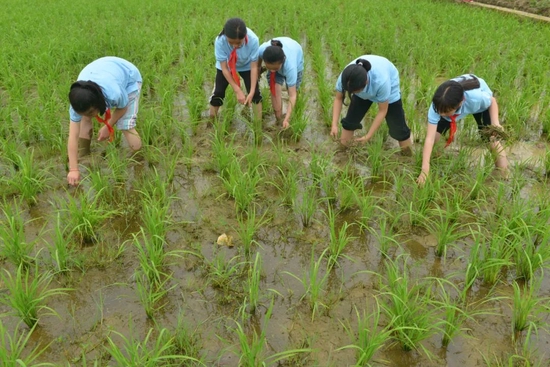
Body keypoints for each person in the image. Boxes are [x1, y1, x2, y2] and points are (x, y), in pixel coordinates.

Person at [416, 74, 509, 185]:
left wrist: (495, 123)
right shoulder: (438, 105)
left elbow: (492, 101)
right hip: (449, 104)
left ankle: (503, 173)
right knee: (434, 138)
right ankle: (436, 158)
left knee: (491, 140)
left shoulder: (475, 98)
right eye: (440, 111)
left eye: (445, 112)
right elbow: (429, 139)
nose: (441, 114)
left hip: (480, 107)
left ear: (459, 104)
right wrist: (424, 170)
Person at [67, 56, 142, 186]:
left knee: (126, 125)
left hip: (129, 77)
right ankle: (84, 155)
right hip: (100, 71)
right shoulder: (77, 104)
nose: (88, 115)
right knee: (85, 119)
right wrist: (73, 169)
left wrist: (108, 125)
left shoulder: (114, 93)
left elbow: (123, 108)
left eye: (91, 112)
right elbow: (72, 136)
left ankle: (139, 159)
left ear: (100, 103)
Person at [330, 55, 412, 152]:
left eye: (355, 92)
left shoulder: (381, 81)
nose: (353, 94)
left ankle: (407, 154)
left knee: (398, 129)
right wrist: (334, 124)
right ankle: (342, 151)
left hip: (389, 85)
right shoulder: (346, 78)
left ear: (366, 82)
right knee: (350, 121)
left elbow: (382, 110)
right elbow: (338, 99)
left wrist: (368, 136)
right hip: (359, 84)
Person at [209, 18, 262, 120]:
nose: (235, 46)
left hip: (246, 64)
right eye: (231, 42)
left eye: (239, 43)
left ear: (245, 36)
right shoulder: (220, 41)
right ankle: (211, 122)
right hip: (227, 65)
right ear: (226, 36)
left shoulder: (253, 40)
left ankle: (257, 125)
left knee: (255, 94)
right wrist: (237, 90)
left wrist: (251, 92)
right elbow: (224, 68)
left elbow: (254, 66)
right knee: (218, 93)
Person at [258, 37, 304, 129]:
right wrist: (259, 69)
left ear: (282, 62)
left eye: (274, 68)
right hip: (278, 56)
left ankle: (290, 117)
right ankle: (278, 119)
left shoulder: (291, 67)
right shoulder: (262, 50)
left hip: (295, 53)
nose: (271, 70)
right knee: (274, 89)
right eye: (268, 68)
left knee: (293, 90)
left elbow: (292, 95)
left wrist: (287, 118)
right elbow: (258, 60)